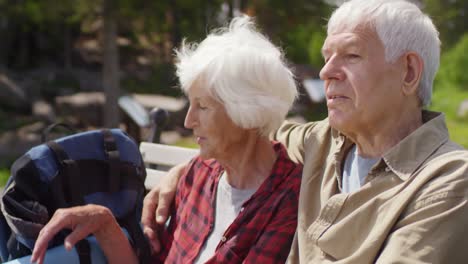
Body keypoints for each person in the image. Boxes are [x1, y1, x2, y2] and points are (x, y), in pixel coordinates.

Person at [143, 0, 468, 263]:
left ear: (409, 72)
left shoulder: (449, 182)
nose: (326, 71)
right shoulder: (321, 141)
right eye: (328, 57)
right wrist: (181, 171)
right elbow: (242, 133)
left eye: (351, 55)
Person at [31, 16, 303, 264]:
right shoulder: (198, 173)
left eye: (203, 106)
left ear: (246, 111)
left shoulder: (287, 199)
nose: (188, 121)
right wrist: (105, 225)